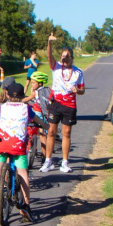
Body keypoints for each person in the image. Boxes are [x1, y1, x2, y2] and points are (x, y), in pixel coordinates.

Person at [0, 82, 48, 222]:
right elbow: (38, 120)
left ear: (8, 94)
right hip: (19, 147)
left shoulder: (2, 108)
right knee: (23, 174)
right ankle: (26, 205)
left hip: (2, 145)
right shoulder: (26, 108)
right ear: (23, 96)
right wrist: (46, 125)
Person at [40, 33, 85, 173]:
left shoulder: (78, 72)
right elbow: (49, 56)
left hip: (69, 105)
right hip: (55, 103)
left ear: (72, 58)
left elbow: (83, 90)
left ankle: (65, 162)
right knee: (51, 131)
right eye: (62, 56)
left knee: (66, 133)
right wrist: (49, 43)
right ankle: (48, 161)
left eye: (67, 57)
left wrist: (77, 90)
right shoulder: (56, 67)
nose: (64, 59)